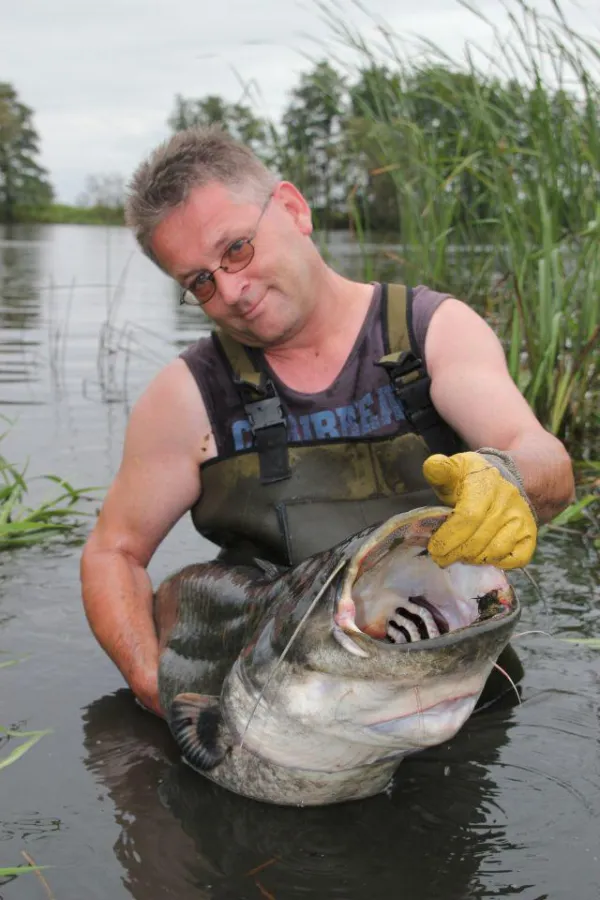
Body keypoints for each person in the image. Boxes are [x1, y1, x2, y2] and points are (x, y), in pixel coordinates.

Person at [80, 126, 575, 718]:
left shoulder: (433, 331)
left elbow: (539, 452)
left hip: (457, 688)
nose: (232, 291)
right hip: (283, 706)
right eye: (200, 282)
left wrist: (507, 476)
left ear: (292, 208)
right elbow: (113, 553)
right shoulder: (187, 397)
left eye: (236, 248)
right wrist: (150, 684)